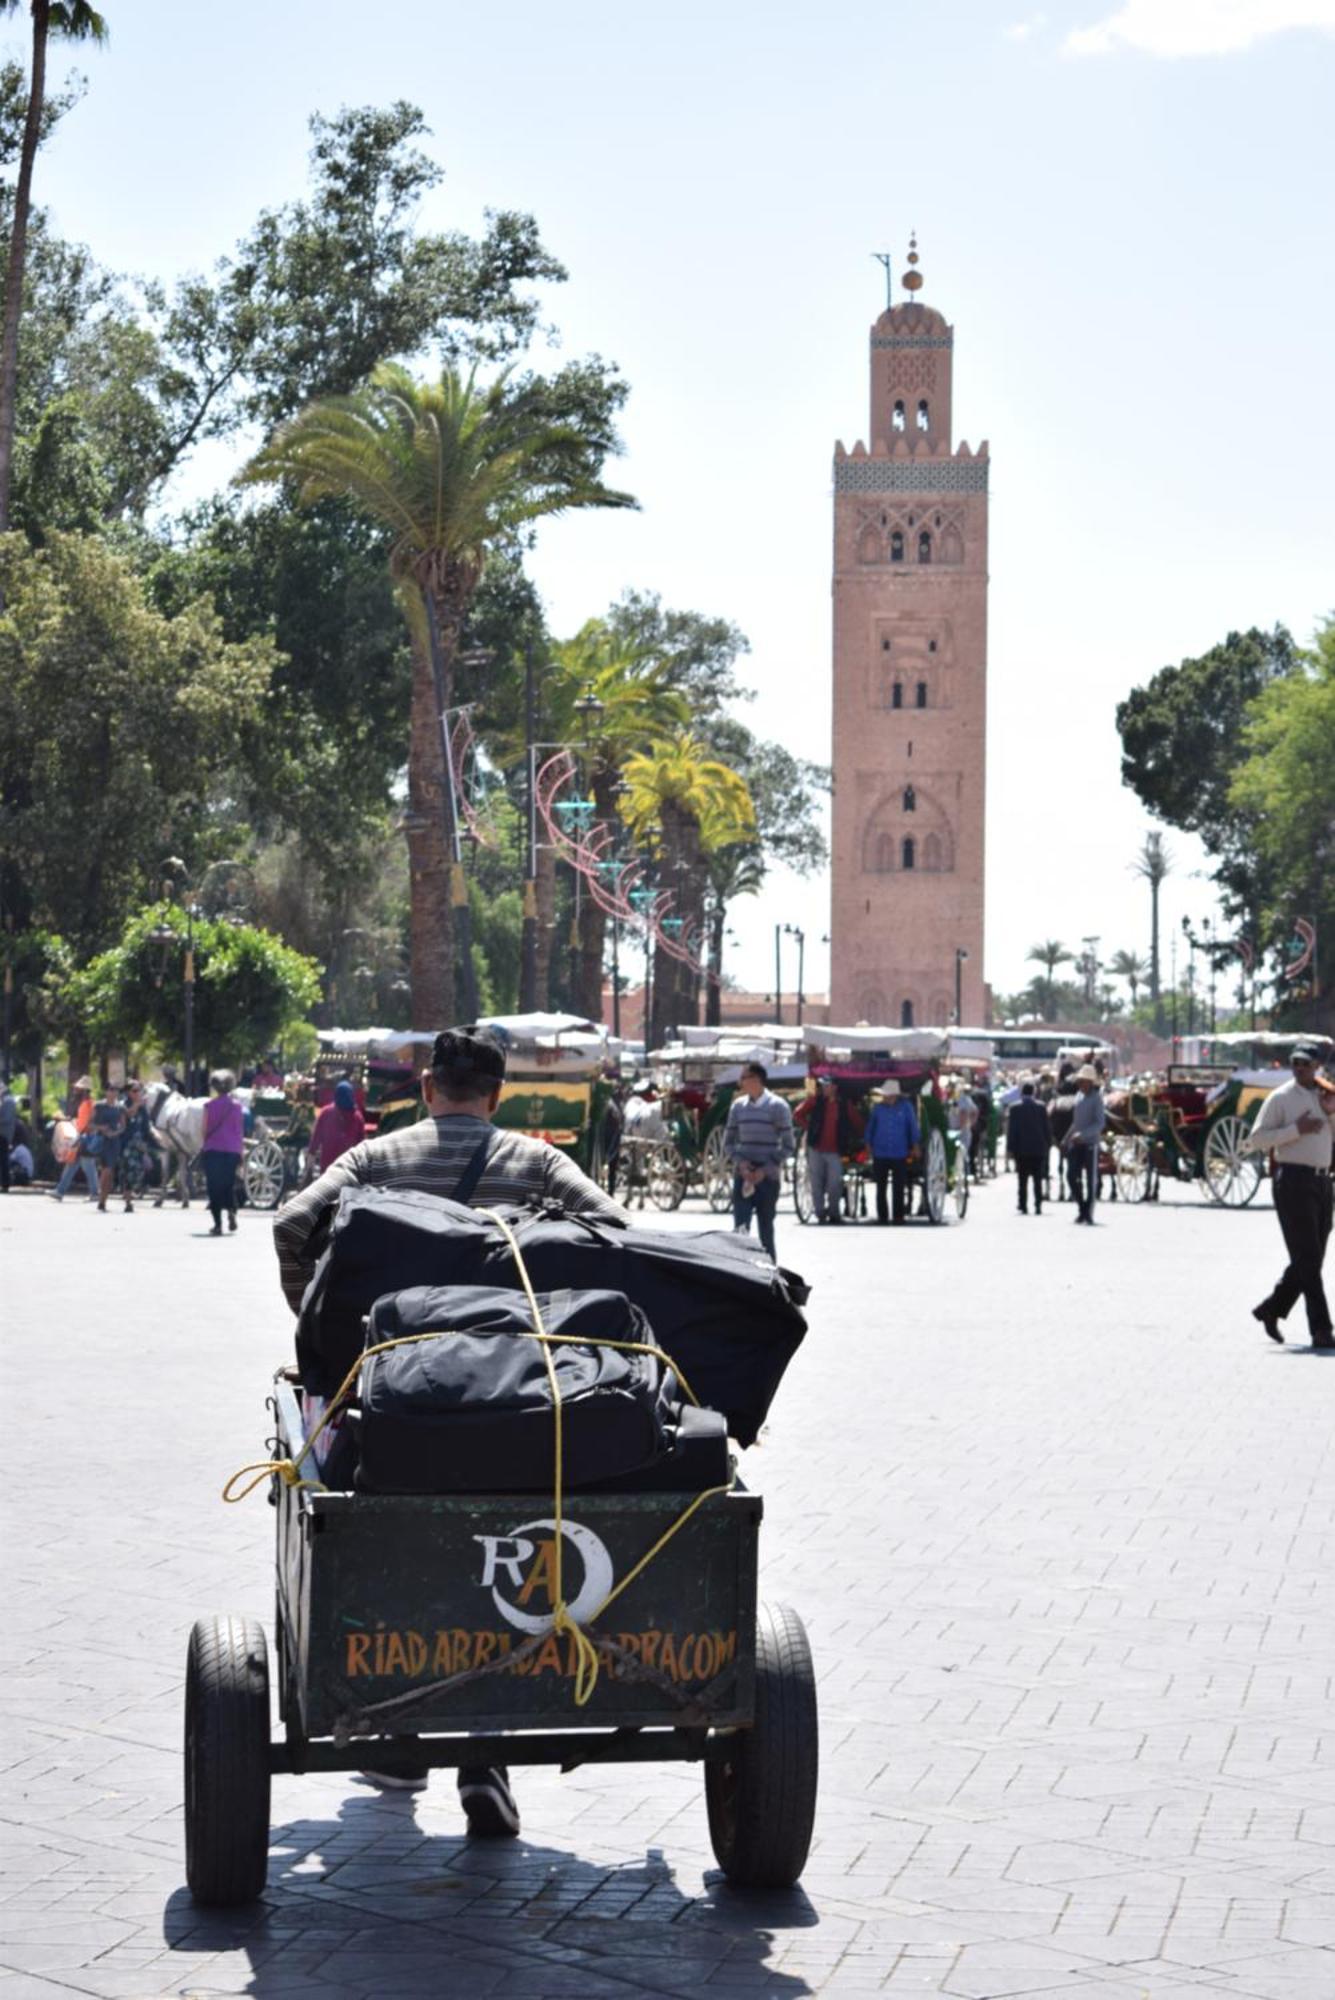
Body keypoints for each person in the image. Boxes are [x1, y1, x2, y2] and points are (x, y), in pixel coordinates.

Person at [273, 1024, 627, 1839]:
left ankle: (400, 1737)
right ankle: (485, 1754)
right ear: (496, 1097)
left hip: (396, 1404)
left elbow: (292, 1226)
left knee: (391, 1532)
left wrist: (324, 1327)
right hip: (521, 1404)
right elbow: (614, 1228)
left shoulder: (375, 1159)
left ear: (428, 1089)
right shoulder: (535, 1162)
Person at [1243, 1044, 1335, 1349]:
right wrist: (1297, 1129)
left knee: (1312, 1257)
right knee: (1308, 1257)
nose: (1299, 1068)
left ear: (1318, 1066)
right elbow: (1257, 1140)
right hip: (1293, 1181)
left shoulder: (1325, 1096)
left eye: (1305, 1064)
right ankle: (1321, 1329)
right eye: (1295, 1063)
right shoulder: (1281, 1098)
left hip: (1323, 1183)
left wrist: (1330, 1114)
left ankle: (1272, 1308)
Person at [722, 1061, 795, 1260]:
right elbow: (728, 1143)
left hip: (768, 1180)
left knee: (766, 1231)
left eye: (744, 1077)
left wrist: (765, 1169)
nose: (741, 1082)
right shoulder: (737, 1107)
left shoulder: (778, 1107)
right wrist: (742, 1164)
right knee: (740, 1231)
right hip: (743, 1177)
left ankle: (770, 1275)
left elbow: (788, 1146)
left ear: (756, 1080)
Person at [794, 1076, 863, 1225]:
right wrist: (810, 1128)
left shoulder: (844, 1104)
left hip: (835, 1150)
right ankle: (820, 1213)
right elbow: (797, 1114)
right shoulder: (815, 1101)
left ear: (834, 1088)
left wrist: (859, 1138)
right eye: (823, 1086)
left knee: (834, 1183)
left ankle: (834, 1212)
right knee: (816, 1182)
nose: (824, 1088)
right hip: (816, 1148)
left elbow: (857, 1121)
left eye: (827, 1086)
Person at [864, 1078, 920, 1225]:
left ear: (895, 1095)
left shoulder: (906, 1108)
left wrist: (915, 1145)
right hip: (880, 1152)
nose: (886, 1097)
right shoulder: (878, 1109)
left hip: (899, 1152)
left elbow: (912, 1126)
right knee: (880, 1187)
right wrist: (868, 1143)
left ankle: (898, 1215)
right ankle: (882, 1216)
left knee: (898, 1186)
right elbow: (871, 1127)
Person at [201, 1070, 244, 1236]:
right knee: (228, 1184)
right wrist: (241, 1153)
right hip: (232, 1150)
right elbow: (239, 1131)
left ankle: (218, 1224)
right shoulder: (237, 1107)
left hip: (213, 1150)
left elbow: (204, 1130)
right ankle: (232, 1211)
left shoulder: (209, 1106)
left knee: (214, 1187)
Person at [1063, 1063, 1106, 1224]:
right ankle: (1082, 1206)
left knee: (1090, 1180)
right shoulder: (1078, 1096)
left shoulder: (1097, 1098)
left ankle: (1089, 1212)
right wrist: (1066, 1138)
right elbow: (1076, 1122)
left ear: (1090, 1082)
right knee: (1071, 1176)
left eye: (1083, 1081)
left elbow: (1100, 1123)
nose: (1080, 1084)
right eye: (1079, 1081)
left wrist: (1084, 1134)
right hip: (1076, 1142)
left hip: (1090, 1144)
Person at [1006, 1081, 1052, 1216]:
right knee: (1038, 1179)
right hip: (1038, 1148)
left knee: (1022, 1179)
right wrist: (1048, 1144)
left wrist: (1010, 1148)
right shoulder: (1041, 1107)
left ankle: (1023, 1205)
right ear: (1034, 1092)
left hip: (1021, 1149)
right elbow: (1046, 1129)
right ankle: (1038, 1205)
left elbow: (1012, 1130)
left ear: (1022, 1093)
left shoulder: (1014, 1108)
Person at [51, 1077, 98, 1200]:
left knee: (88, 1165)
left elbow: (88, 1122)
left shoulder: (89, 1104)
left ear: (84, 1090)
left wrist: (79, 1136)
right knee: (72, 1164)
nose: (75, 1090)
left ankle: (95, 1193)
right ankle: (60, 1191)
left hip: (85, 1137)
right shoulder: (85, 1103)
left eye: (78, 1088)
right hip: (82, 1136)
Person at [308, 1078, 366, 1175]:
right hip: (348, 1169)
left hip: (328, 1168)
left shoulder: (325, 1113)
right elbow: (361, 1146)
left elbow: (315, 1140)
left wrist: (310, 1163)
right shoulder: (358, 1117)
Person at [91, 1081, 130, 1214]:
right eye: (111, 1089)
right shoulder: (99, 1106)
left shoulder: (120, 1107)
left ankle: (103, 1200)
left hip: (115, 1142)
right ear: (106, 1091)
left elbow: (123, 1125)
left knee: (111, 1173)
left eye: (115, 1090)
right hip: (103, 1141)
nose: (113, 1092)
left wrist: (115, 1132)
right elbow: (90, 1124)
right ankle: (101, 1199)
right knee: (106, 1171)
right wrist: (102, 1128)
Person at [0, 1076, 15, 1193]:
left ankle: (5, 1184)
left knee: (4, 1160)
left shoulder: (8, 1101)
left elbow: (5, 1118)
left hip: (3, 1134)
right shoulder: (5, 1100)